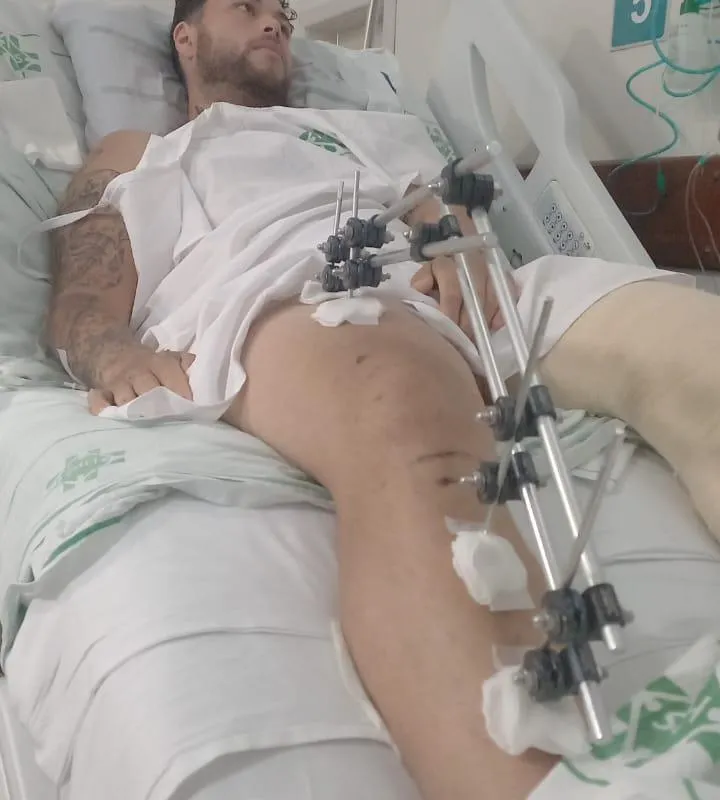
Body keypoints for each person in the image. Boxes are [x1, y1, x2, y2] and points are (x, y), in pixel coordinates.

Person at [45, 0, 720, 797]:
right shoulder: (140, 150)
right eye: (247, 7)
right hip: (285, 294)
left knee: (691, 345)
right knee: (405, 417)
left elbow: (440, 207)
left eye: (283, 14)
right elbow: (85, 292)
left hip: (465, 288)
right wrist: (113, 353)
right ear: (184, 39)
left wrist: (453, 242)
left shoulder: (360, 125)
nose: (275, 23)